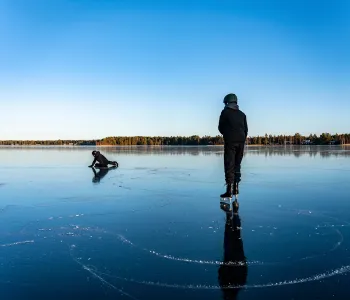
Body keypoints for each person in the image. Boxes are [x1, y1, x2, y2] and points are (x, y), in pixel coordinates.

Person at [218, 93, 248, 198]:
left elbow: (220, 127)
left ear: (227, 102)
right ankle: (236, 188)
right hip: (241, 140)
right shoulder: (242, 114)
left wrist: (227, 134)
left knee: (229, 164)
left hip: (230, 141)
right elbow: (246, 130)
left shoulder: (225, 112)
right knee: (237, 164)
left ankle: (229, 191)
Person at [218, 206, 248, 299]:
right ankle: (233, 213)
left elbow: (220, 273)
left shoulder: (237, 286)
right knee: (234, 236)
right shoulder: (234, 286)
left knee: (234, 235)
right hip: (234, 257)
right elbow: (220, 273)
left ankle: (232, 213)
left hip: (233, 257)